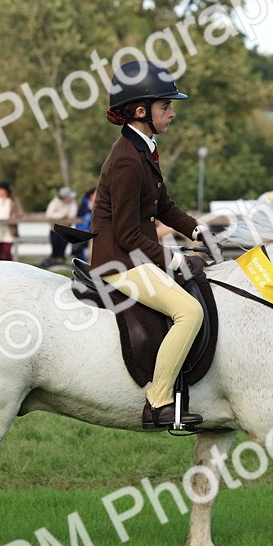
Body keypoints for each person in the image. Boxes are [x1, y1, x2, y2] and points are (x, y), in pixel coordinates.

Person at [91, 59, 222, 430]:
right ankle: (158, 401)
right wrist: (172, 257)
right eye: (166, 106)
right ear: (140, 110)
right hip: (118, 263)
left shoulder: (142, 149)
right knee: (189, 312)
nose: (172, 113)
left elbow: (163, 206)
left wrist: (199, 232)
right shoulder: (126, 161)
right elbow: (127, 234)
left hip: (133, 256)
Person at [43, 186, 78, 266]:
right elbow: (49, 214)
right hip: (54, 229)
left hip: (66, 230)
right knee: (55, 248)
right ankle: (54, 262)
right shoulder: (55, 202)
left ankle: (60, 261)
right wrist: (61, 215)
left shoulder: (72, 203)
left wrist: (64, 216)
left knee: (62, 249)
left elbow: (72, 215)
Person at [71, 187, 97, 261]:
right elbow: (79, 216)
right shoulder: (84, 204)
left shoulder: (100, 204)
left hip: (94, 231)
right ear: (91, 195)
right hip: (83, 230)